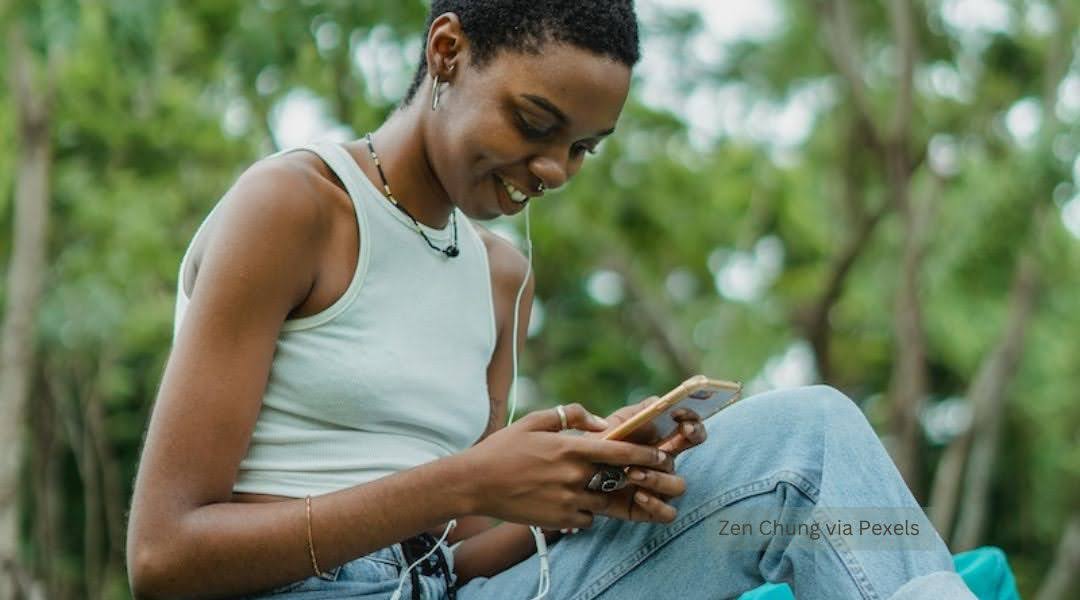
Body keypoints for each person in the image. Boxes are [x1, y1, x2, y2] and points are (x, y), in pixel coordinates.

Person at [125, 1, 978, 599]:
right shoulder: (296, 207)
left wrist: (583, 491)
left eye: (585, 149)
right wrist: (470, 478)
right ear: (447, 52)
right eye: (535, 125)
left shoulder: (500, 276)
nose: (555, 171)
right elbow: (163, 556)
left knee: (805, 442)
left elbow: (454, 552)